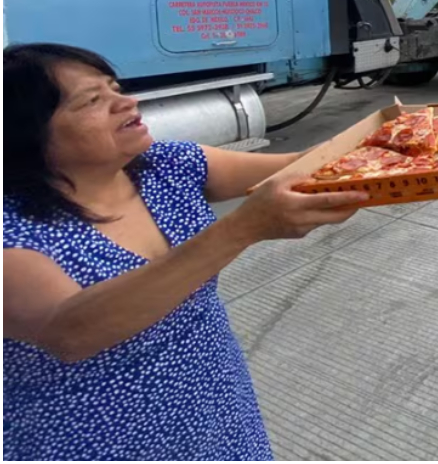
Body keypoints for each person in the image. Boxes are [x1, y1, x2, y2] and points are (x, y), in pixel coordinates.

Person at [2, 43, 370, 460]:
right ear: (25, 133)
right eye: (93, 100)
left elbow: (307, 167)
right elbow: (70, 332)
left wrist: (392, 142)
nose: (126, 103)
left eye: (116, 88)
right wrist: (244, 228)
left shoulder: (170, 166)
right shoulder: (12, 229)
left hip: (217, 409)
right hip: (95, 438)